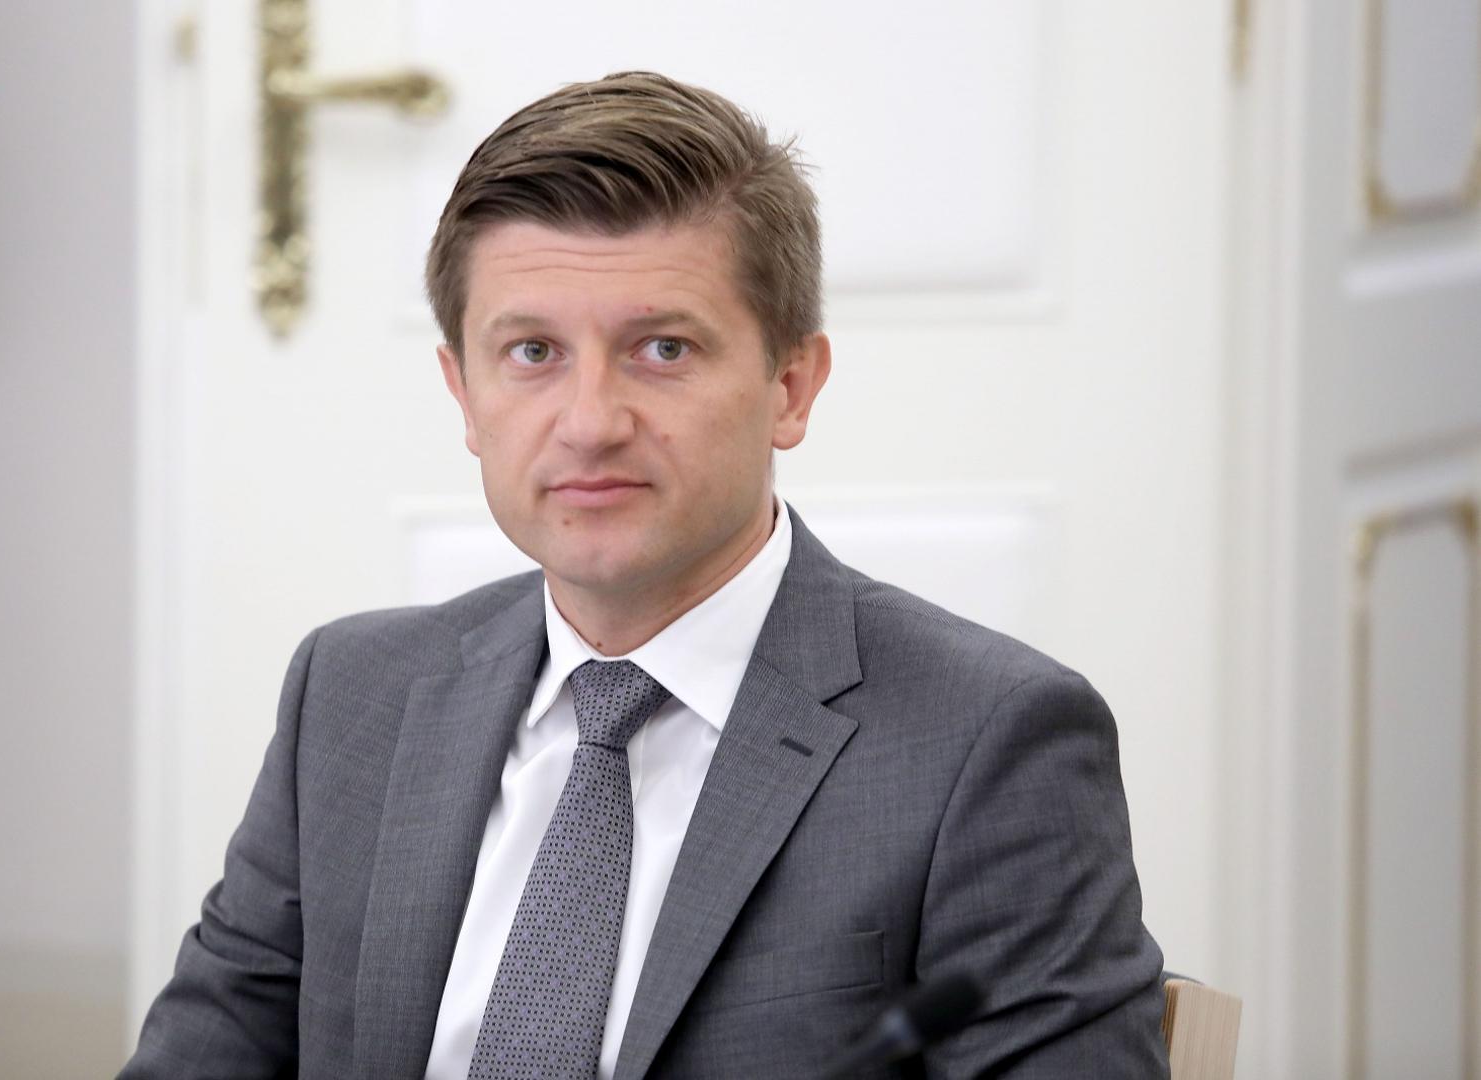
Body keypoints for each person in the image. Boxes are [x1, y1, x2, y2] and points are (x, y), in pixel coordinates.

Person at [123, 71, 1167, 1079]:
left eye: (662, 349)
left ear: (791, 386)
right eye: (532, 353)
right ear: (464, 394)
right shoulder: (352, 696)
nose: (590, 423)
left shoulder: (987, 742)